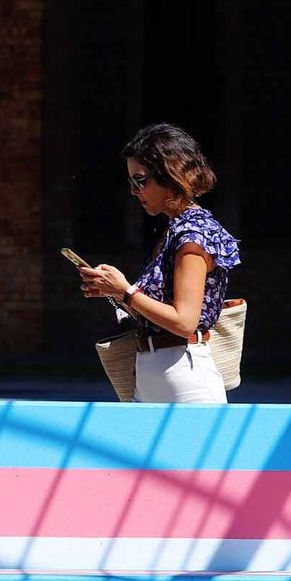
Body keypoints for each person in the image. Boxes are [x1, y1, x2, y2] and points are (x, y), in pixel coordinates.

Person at [77, 123, 240, 404]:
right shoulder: (173, 229)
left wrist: (126, 291)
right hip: (154, 374)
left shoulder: (193, 234)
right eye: (131, 181)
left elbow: (184, 321)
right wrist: (115, 292)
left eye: (140, 180)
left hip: (186, 378)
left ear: (171, 173)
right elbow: (158, 316)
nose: (133, 190)